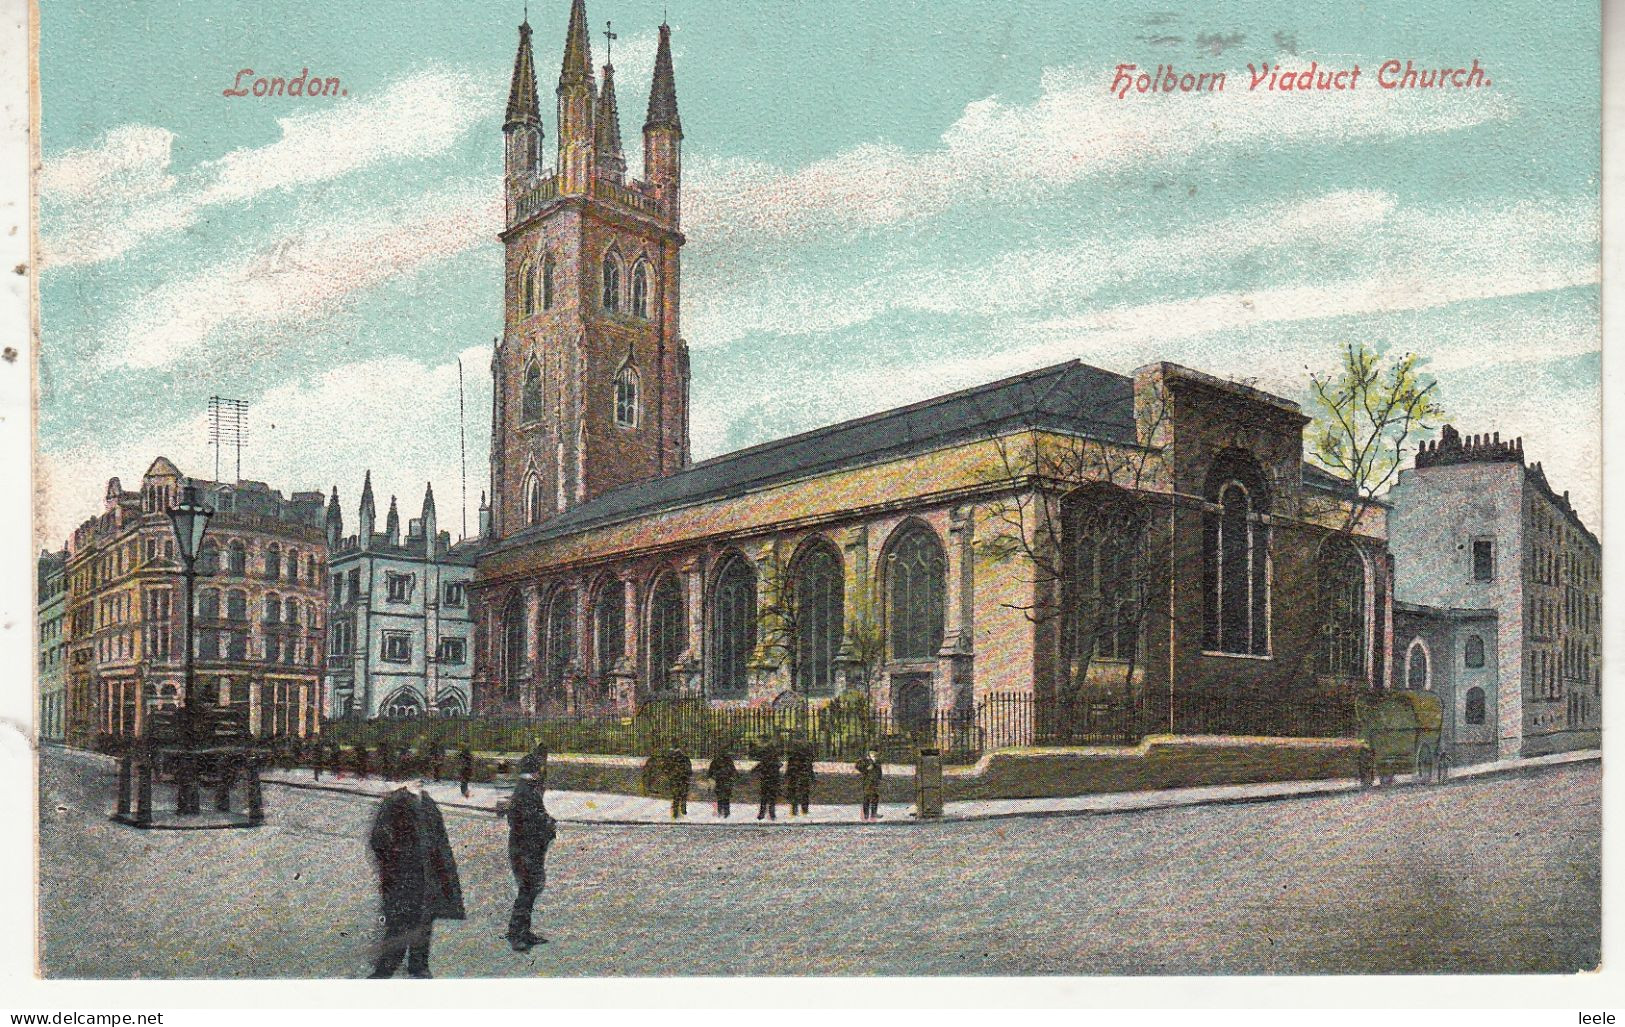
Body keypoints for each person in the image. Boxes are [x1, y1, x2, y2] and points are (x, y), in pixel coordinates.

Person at [367, 770, 465, 979]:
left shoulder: (427, 801)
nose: (421, 781)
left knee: (425, 919)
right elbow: (379, 840)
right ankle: (384, 971)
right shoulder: (394, 802)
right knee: (400, 924)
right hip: (405, 876)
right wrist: (399, 862)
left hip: (429, 873)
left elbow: (439, 837)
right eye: (416, 777)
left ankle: (419, 965)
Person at [504, 750, 556, 952]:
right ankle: (517, 934)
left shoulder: (527, 788)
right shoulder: (526, 791)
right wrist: (548, 823)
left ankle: (522, 931)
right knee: (528, 889)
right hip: (525, 849)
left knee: (529, 890)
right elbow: (529, 819)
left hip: (526, 848)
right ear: (535, 771)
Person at [706, 751, 739, 818]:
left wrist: (710, 779)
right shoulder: (729, 762)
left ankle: (720, 812)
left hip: (719, 781)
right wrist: (734, 778)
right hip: (727, 782)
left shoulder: (715, 761)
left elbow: (710, 772)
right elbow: (734, 772)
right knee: (726, 798)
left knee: (720, 798)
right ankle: (726, 813)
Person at [753, 746, 781, 821]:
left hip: (765, 782)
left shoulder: (764, 762)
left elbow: (755, 770)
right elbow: (777, 772)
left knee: (764, 799)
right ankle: (772, 815)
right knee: (772, 799)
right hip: (773, 782)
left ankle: (762, 814)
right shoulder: (775, 762)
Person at [787, 741, 815, 815]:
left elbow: (789, 768)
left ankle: (794, 810)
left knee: (794, 792)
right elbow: (809, 768)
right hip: (803, 775)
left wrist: (787, 776)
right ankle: (804, 810)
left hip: (794, 776)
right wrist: (812, 777)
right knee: (804, 793)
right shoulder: (806, 757)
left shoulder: (792, 757)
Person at [855, 749, 883, 821]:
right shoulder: (864, 760)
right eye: (873, 752)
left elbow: (879, 771)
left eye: (875, 752)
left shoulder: (877, 760)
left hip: (875, 782)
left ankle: (873, 814)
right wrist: (866, 769)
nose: (874, 754)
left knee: (875, 797)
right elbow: (858, 766)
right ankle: (866, 815)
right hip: (867, 781)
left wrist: (879, 779)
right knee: (867, 797)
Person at [665, 745, 691, 818]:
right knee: (683, 796)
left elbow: (666, 769)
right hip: (684, 780)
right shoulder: (685, 758)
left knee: (676, 797)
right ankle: (683, 811)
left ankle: (675, 813)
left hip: (675, 780)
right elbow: (689, 770)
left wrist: (670, 776)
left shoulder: (671, 759)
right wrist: (687, 776)